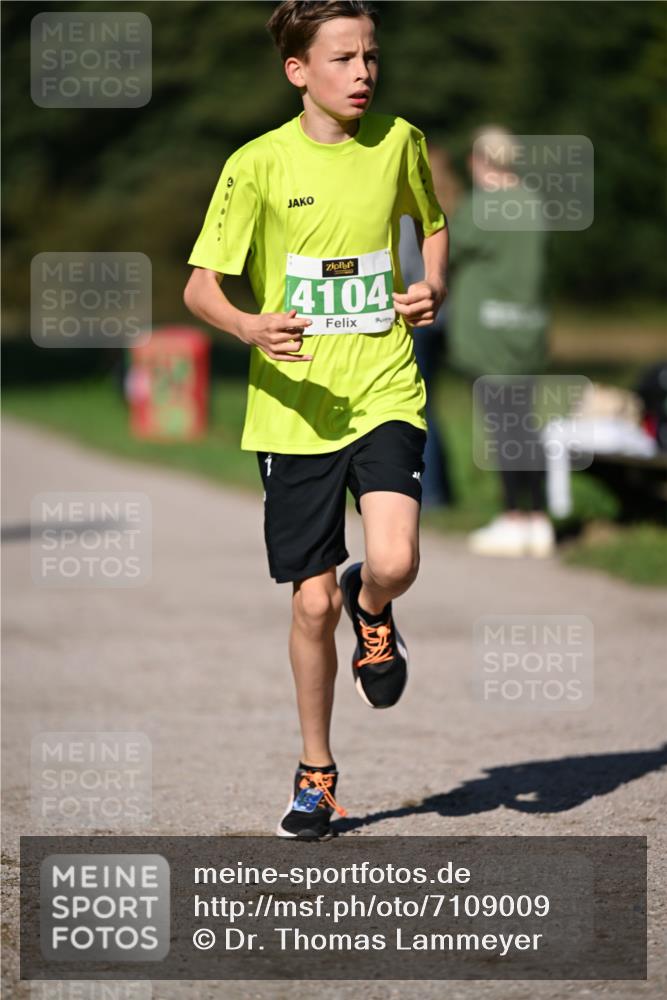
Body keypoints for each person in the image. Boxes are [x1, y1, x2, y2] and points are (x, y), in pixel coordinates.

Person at [183, 0, 448, 840]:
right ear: (298, 71)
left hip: (382, 388)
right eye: (342, 59)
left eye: (370, 56)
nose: (363, 73)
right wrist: (248, 325)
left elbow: (430, 228)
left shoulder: (399, 142)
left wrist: (428, 286)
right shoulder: (255, 165)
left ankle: (374, 608)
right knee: (306, 609)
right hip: (292, 410)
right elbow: (200, 288)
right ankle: (317, 774)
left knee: (396, 558)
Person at [447, 126, 555, 558]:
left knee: (503, 426)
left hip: (490, 335)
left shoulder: (483, 207)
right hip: (528, 331)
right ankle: (539, 517)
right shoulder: (533, 203)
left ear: (480, 161)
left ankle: (514, 515)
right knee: (525, 424)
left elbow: (446, 249)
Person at [398, 144, 455, 507]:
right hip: (443, 319)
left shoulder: (408, 210)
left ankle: (430, 492)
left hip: (414, 314)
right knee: (431, 403)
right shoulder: (454, 205)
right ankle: (442, 489)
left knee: (417, 407)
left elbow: (402, 262)